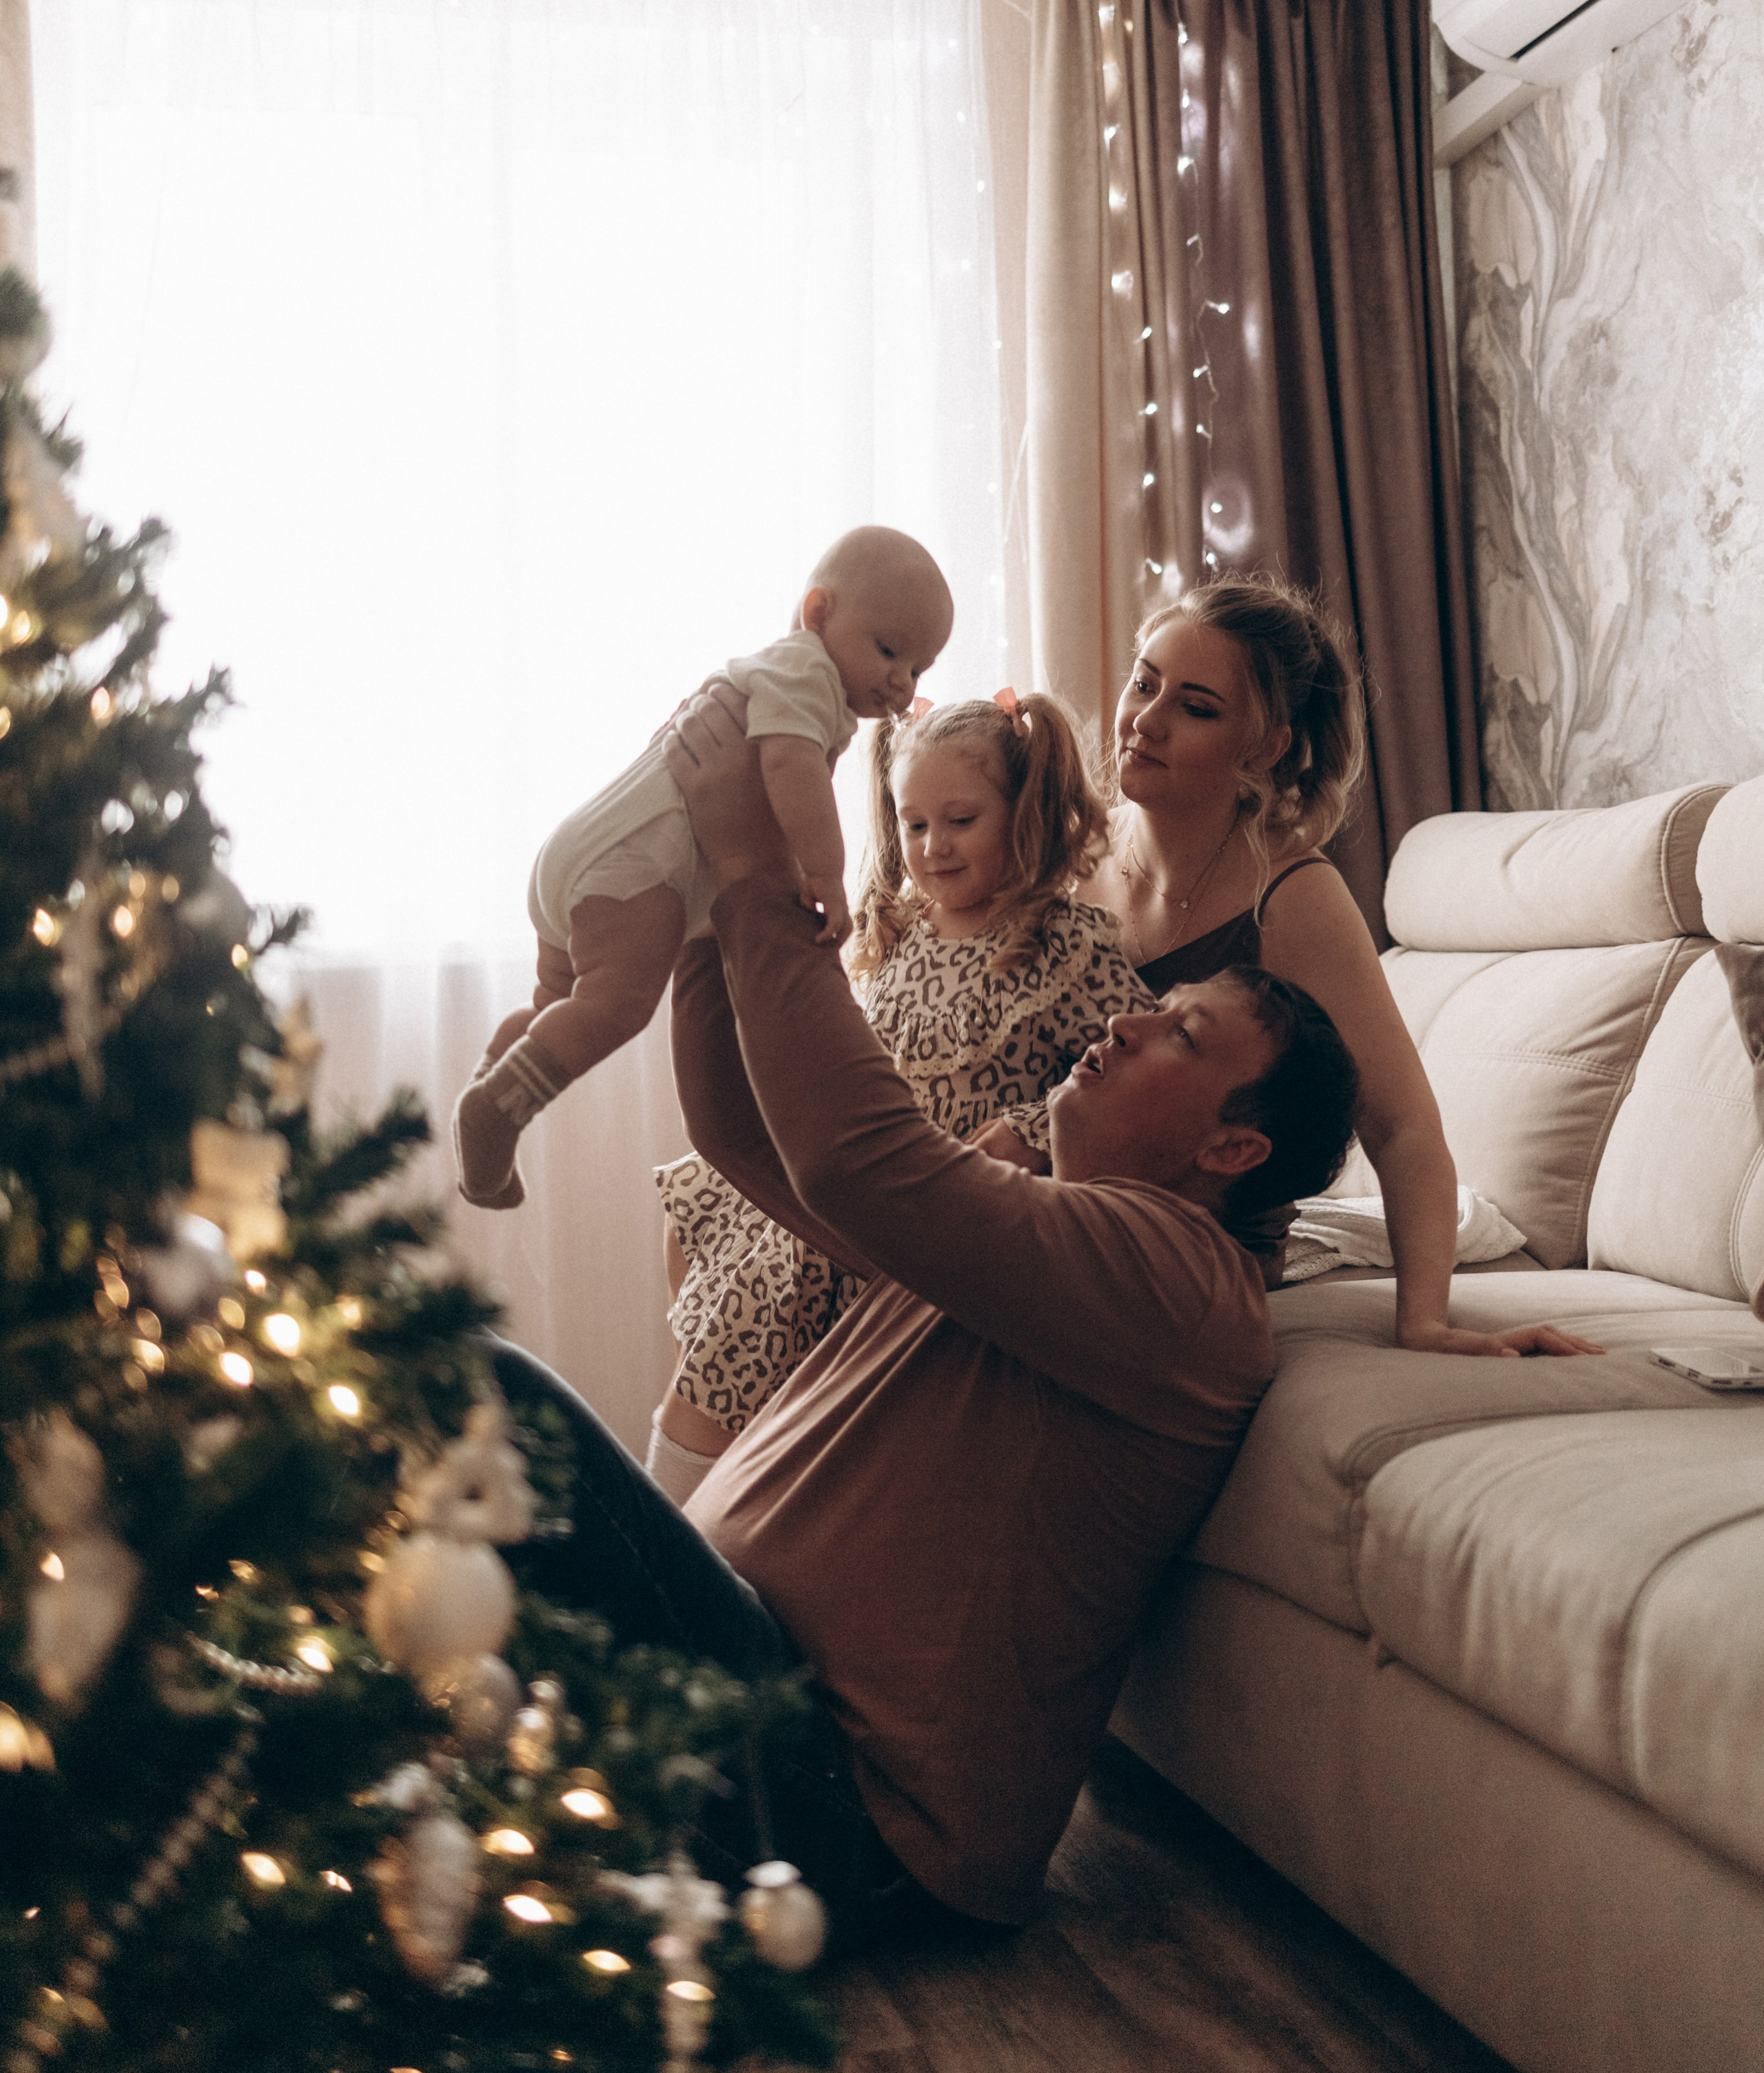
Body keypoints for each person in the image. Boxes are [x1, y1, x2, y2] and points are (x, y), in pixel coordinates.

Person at [517, 682, 1362, 1948]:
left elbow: (857, 1160)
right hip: (757, 1713)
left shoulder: (1176, 1280)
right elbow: (749, 1143)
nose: (1130, 1019)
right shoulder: (1033, 1210)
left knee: (480, 1398)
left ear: (1235, 1147)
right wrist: (700, 919)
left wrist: (754, 868)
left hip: (843, 1811)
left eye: (1180, 1036)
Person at [1068, 575, 1600, 1360]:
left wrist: (1422, 1322)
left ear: (1267, 747)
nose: (1144, 721)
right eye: (1144, 684)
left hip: (1195, 1246)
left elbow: (1402, 1125)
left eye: (1196, 706)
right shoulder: (1074, 852)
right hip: (1055, 1205)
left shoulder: (1292, 895)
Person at [648, 690, 1145, 1501]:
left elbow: (1130, 1076)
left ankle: (674, 1506)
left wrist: (1029, 1130)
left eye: (960, 821)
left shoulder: (1070, 943)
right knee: (708, 1201)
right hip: (866, 1174)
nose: (933, 848)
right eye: (914, 825)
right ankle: (736, 1464)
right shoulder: (899, 931)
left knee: (764, 1282)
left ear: (1020, 816)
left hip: (938, 1199)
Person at [451, 525, 953, 1210]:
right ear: (818, 613)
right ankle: (497, 1111)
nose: (900, 679)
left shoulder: (773, 672)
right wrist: (827, 873)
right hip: (635, 865)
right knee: (617, 1004)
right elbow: (789, 768)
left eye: (920, 667)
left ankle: (486, 1095)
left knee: (555, 1005)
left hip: (586, 851)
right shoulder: (806, 675)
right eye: (889, 650)